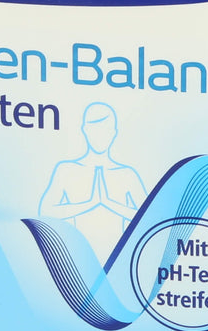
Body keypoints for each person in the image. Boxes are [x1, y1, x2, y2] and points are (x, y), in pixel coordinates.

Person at [38, 103, 147, 263]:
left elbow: (149, 218)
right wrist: (89, 204)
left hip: (119, 262)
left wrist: (109, 203)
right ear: (85, 130)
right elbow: (46, 212)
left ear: (113, 132)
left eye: (105, 129)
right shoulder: (67, 170)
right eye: (95, 128)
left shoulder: (127, 175)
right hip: (75, 260)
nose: (100, 135)